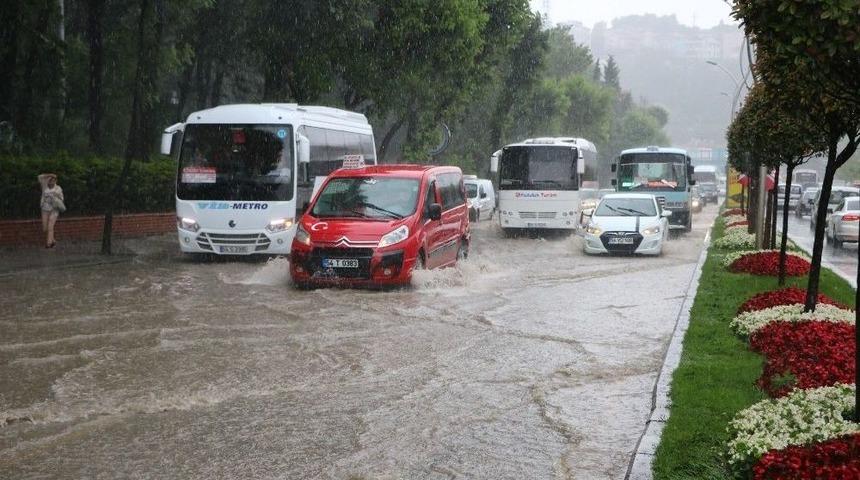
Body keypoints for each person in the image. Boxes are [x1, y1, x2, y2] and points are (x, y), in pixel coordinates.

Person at [38, 173, 64, 248]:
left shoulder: (58, 188)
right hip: (45, 209)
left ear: (56, 181)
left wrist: (54, 196)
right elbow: (39, 177)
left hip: (54, 209)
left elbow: (62, 199)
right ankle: (53, 241)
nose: (52, 181)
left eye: (53, 180)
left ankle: (48, 244)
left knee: (50, 226)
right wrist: (50, 175)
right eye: (50, 180)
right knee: (45, 228)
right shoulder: (44, 186)